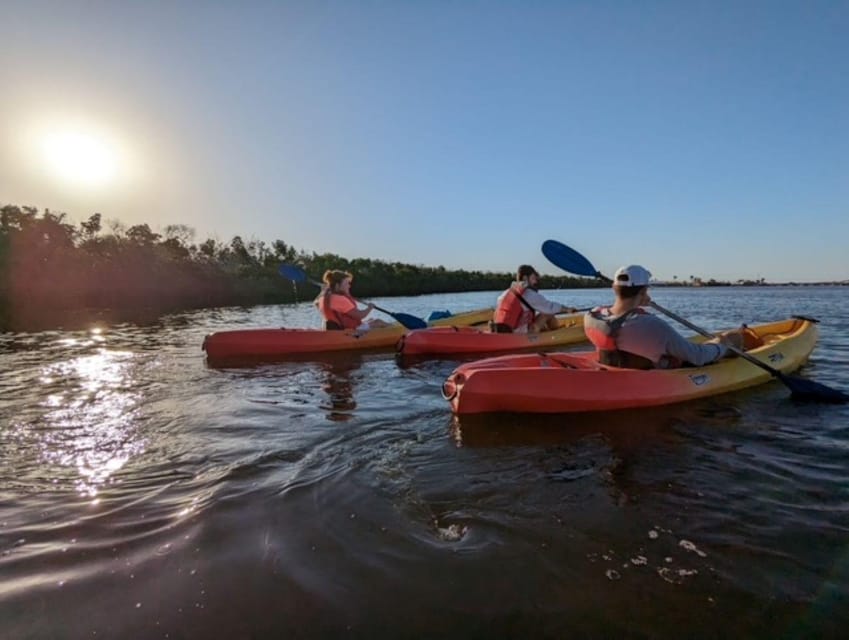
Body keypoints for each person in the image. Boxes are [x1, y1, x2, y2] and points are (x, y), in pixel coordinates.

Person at [583, 264, 744, 369]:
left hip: (613, 365)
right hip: (650, 375)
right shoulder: (650, 325)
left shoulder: (592, 317)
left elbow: (616, 316)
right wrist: (722, 344)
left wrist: (638, 302)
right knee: (730, 338)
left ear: (614, 287)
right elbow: (697, 356)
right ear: (644, 291)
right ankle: (732, 345)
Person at [491, 264, 578, 333]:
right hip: (519, 334)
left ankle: (546, 330)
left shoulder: (505, 293)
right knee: (547, 313)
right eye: (533, 278)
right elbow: (549, 307)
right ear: (525, 278)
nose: (536, 281)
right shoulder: (529, 294)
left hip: (503, 330)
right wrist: (567, 309)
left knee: (540, 317)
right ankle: (557, 332)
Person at [315, 270, 390, 331]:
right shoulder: (341, 299)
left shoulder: (322, 297)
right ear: (337, 285)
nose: (349, 286)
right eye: (347, 283)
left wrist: (325, 290)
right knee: (378, 322)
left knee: (371, 319)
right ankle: (396, 332)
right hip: (349, 331)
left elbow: (316, 304)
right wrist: (369, 308)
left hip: (334, 329)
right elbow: (360, 316)